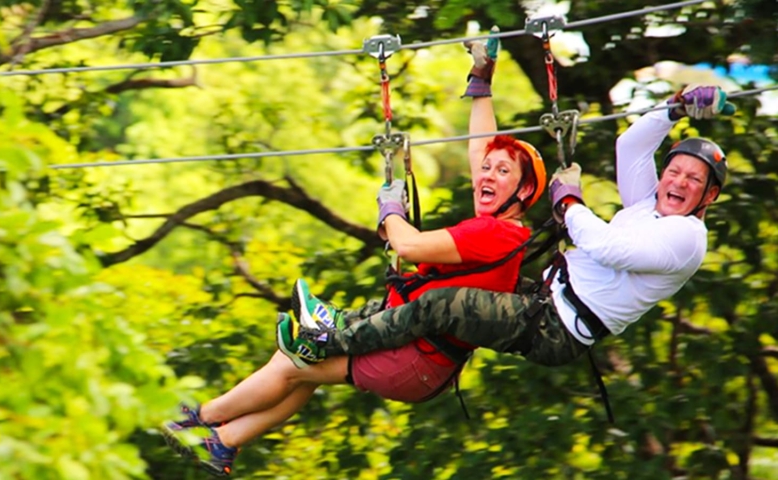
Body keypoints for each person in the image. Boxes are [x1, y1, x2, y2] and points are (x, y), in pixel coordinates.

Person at [161, 34, 547, 477]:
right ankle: (223, 442)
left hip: (414, 357)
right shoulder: (503, 228)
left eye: (502, 171)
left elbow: (409, 246)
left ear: (523, 192)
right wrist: (481, 82)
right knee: (303, 367)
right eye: (486, 169)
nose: (486, 174)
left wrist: (391, 210)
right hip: (420, 359)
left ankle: (200, 420)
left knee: (294, 361)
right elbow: (481, 148)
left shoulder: (496, 233)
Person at [279, 84, 732, 373]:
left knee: (441, 305)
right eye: (674, 171)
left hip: (558, 327)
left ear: (709, 196)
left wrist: (569, 201)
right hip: (544, 297)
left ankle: (331, 341)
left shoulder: (686, 238)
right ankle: (342, 321)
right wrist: (675, 108)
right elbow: (631, 145)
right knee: (444, 282)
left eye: (694, 180)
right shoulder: (649, 208)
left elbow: (609, 249)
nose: (678, 183)